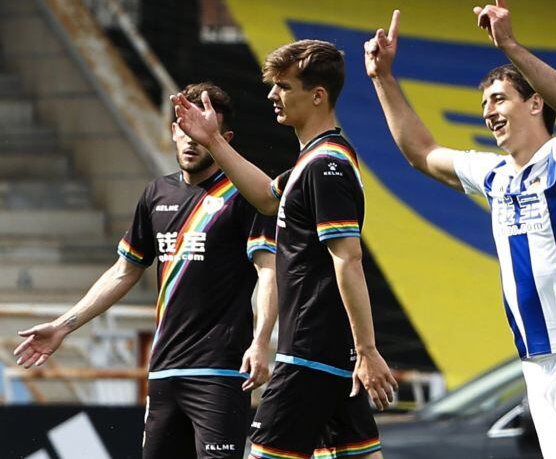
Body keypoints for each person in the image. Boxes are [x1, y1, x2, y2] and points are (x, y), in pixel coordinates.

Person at [364, 0, 556, 459]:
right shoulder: (493, 174)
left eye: (500, 98)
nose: (489, 111)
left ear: (534, 104)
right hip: (537, 359)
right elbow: (422, 153)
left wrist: (509, 44)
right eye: (484, 102)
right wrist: (383, 78)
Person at [13, 82, 278, 459]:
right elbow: (124, 271)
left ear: (225, 138)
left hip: (220, 371)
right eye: (186, 130)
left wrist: (262, 341)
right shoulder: (157, 195)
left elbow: (269, 271)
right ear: (173, 129)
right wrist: (63, 326)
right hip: (164, 371)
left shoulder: (244, 196)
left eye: (205, 134)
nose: (192, 141)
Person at [172, 39, 397, 459]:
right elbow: (266, 196)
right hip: (330, 359)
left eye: (284, 86)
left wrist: (367, 350)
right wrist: (214, 140)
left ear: (317, 95)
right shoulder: (314, 161)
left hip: (309, 356)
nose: (273, 95)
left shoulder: (325, 167)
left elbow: (347, 258)